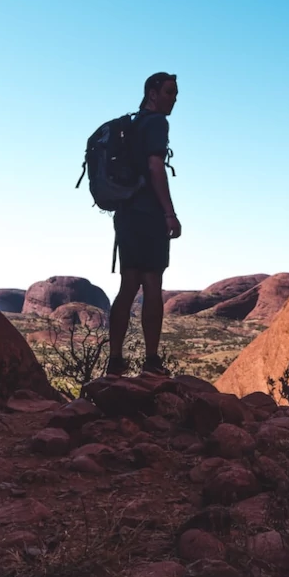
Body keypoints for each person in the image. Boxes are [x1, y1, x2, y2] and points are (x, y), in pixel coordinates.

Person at [107, 72, 181, 377]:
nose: (173, 99)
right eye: (169, 92)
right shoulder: (156, 123)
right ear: (152, 92)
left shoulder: (133, 124)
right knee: (152, 284)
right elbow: (155, 168)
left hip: (125, 214)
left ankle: (115, 361)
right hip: (148, 214)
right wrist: (169, 212)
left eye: (175, 94)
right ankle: (151, 362)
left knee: (128, 285)